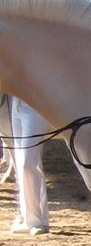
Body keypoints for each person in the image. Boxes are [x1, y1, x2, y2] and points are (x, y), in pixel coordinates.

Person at [9, 97, 51, 235]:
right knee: (21, 161)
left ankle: (38, 221)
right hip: (16, 102)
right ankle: (27, 216)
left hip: (36, 104)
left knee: (29, 162)